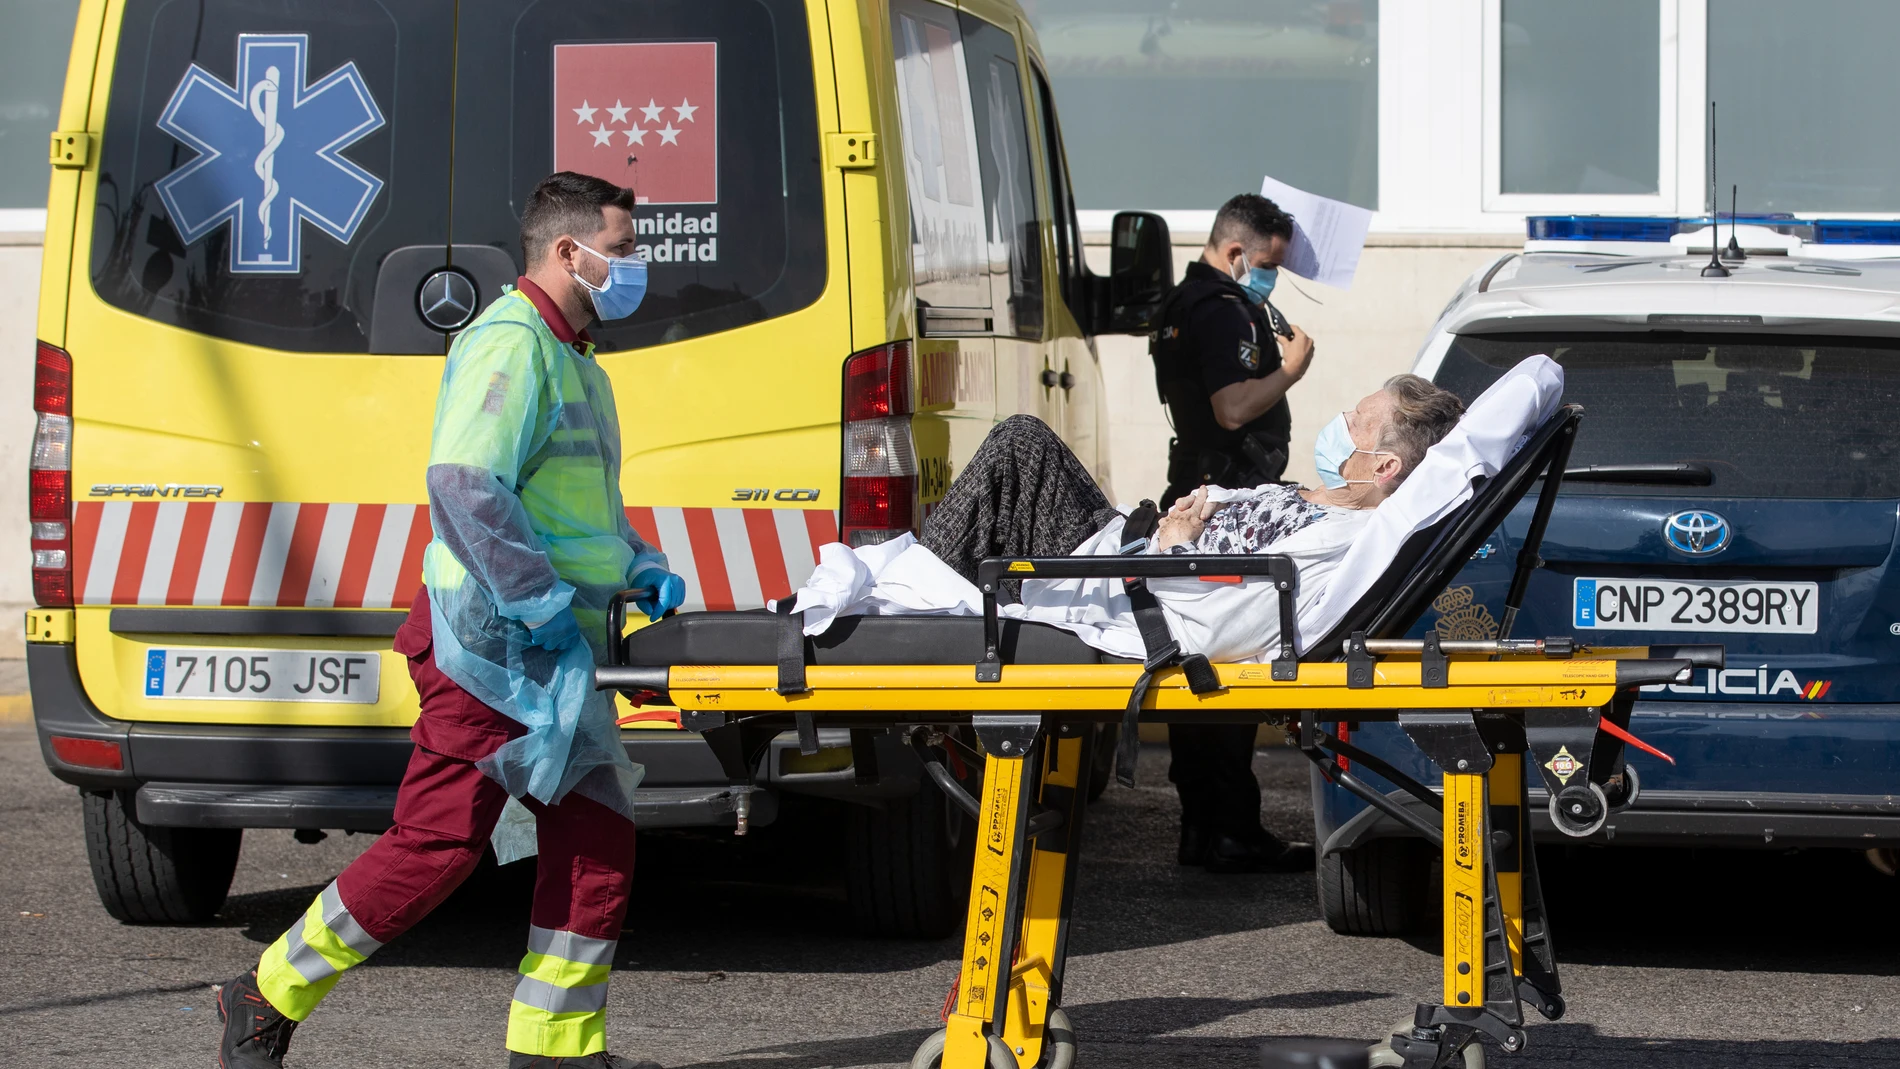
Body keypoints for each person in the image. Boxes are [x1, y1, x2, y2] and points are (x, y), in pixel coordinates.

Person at [215, 172, 685, 1069]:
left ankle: (554, 1049)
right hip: (496, 651)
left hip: (554, 657)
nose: (633, 268)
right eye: (621, 251)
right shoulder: (511, 346)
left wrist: (641, 566)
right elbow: (465, 488)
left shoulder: (575, 358)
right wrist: (544, 604)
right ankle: (267, 990)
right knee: (435, 848)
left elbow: (585, 506)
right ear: (567, 252)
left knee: (596, 842)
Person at [1149, 193, 1319, 874]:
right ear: (1236, 252)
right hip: (1222, 500)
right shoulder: (1220, 309)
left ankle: (1207, 827)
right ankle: (1229, 830)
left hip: (1201, 488)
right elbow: (1230, 408)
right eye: (1269, 265)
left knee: (1200, 661)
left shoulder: (1183, 302)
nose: (1272, 277)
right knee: (1227, 669)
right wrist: (1290, 370)